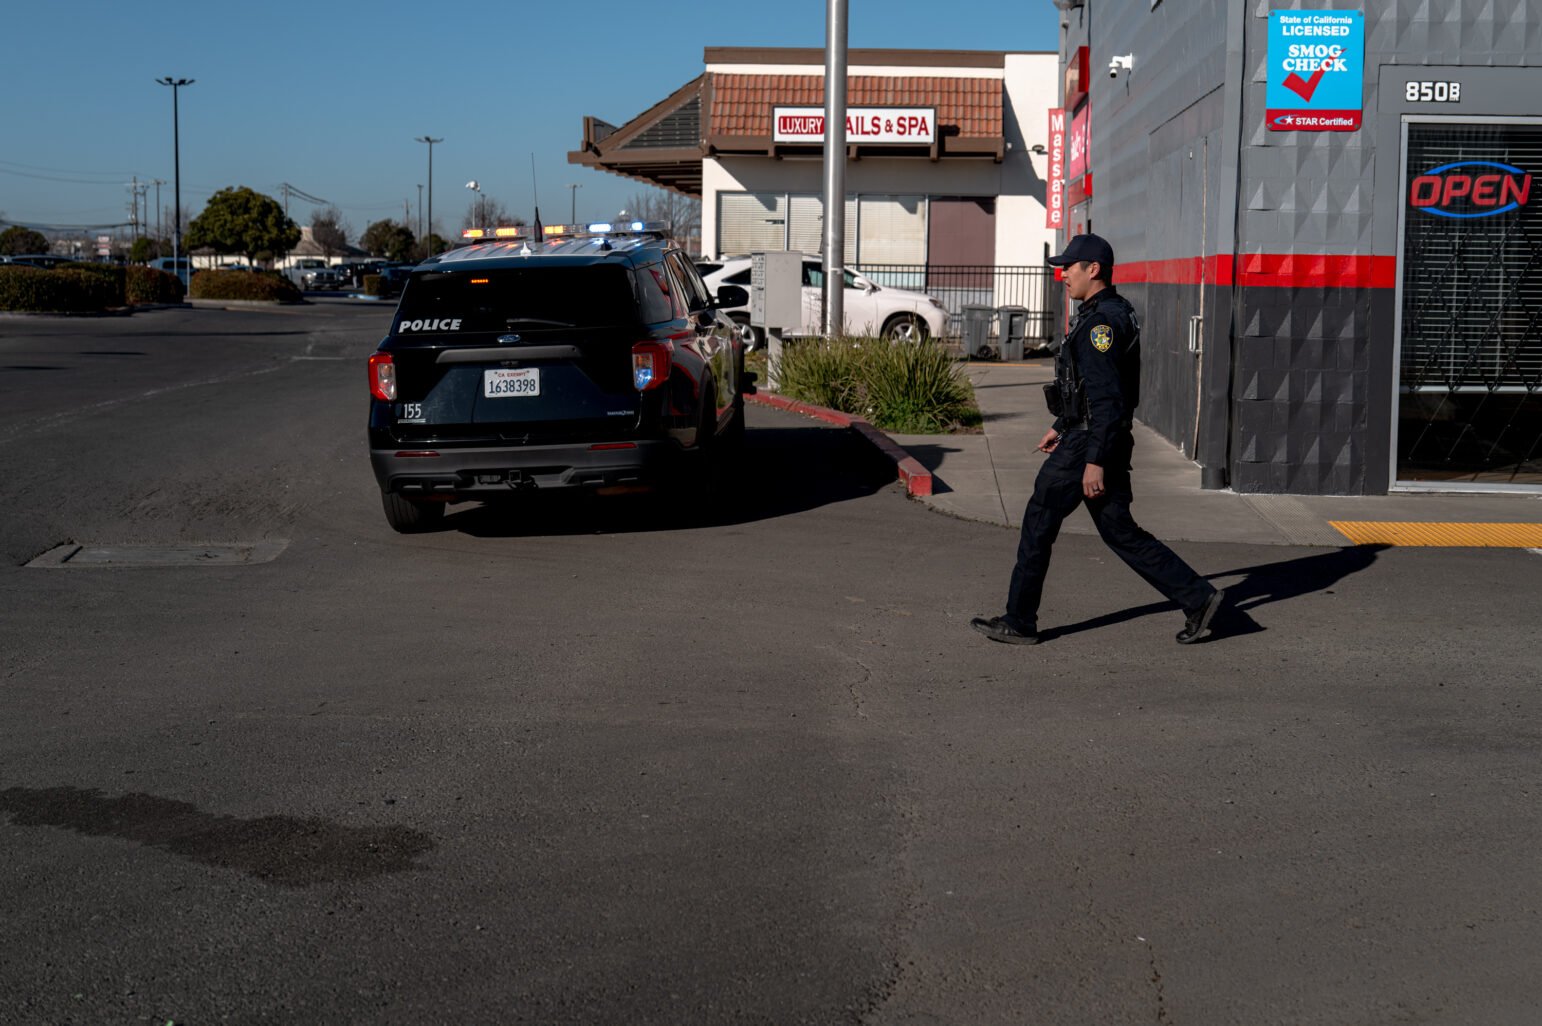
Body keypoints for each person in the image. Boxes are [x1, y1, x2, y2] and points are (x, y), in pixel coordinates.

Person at [971, 233, 1225, 646]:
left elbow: (1109, 399)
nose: (1062, 275)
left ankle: (1019, 621)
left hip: (1089, 445)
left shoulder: (1100, 325)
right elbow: (1093, 390)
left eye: (1069, 267)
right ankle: (1200, 598)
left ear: (1094, 269)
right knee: (1119, 531)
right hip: (1090, 437)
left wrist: (1094, 460)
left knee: (1039, 520)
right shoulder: (1108, 312)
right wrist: (1061, 424)